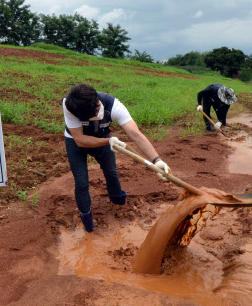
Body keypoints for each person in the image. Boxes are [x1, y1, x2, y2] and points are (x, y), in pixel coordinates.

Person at [63, 84, 171, 233]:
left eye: (97, 109)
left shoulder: (113, 105)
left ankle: (118, 205)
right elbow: (80, 139)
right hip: (76, 142)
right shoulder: (70, 105)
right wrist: (109, 141)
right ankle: (88, 223)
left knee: (111, 172)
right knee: (81, 183)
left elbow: (135, 134)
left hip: (103, 137)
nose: (97, 112)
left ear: (98, 102)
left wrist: (157, 160)